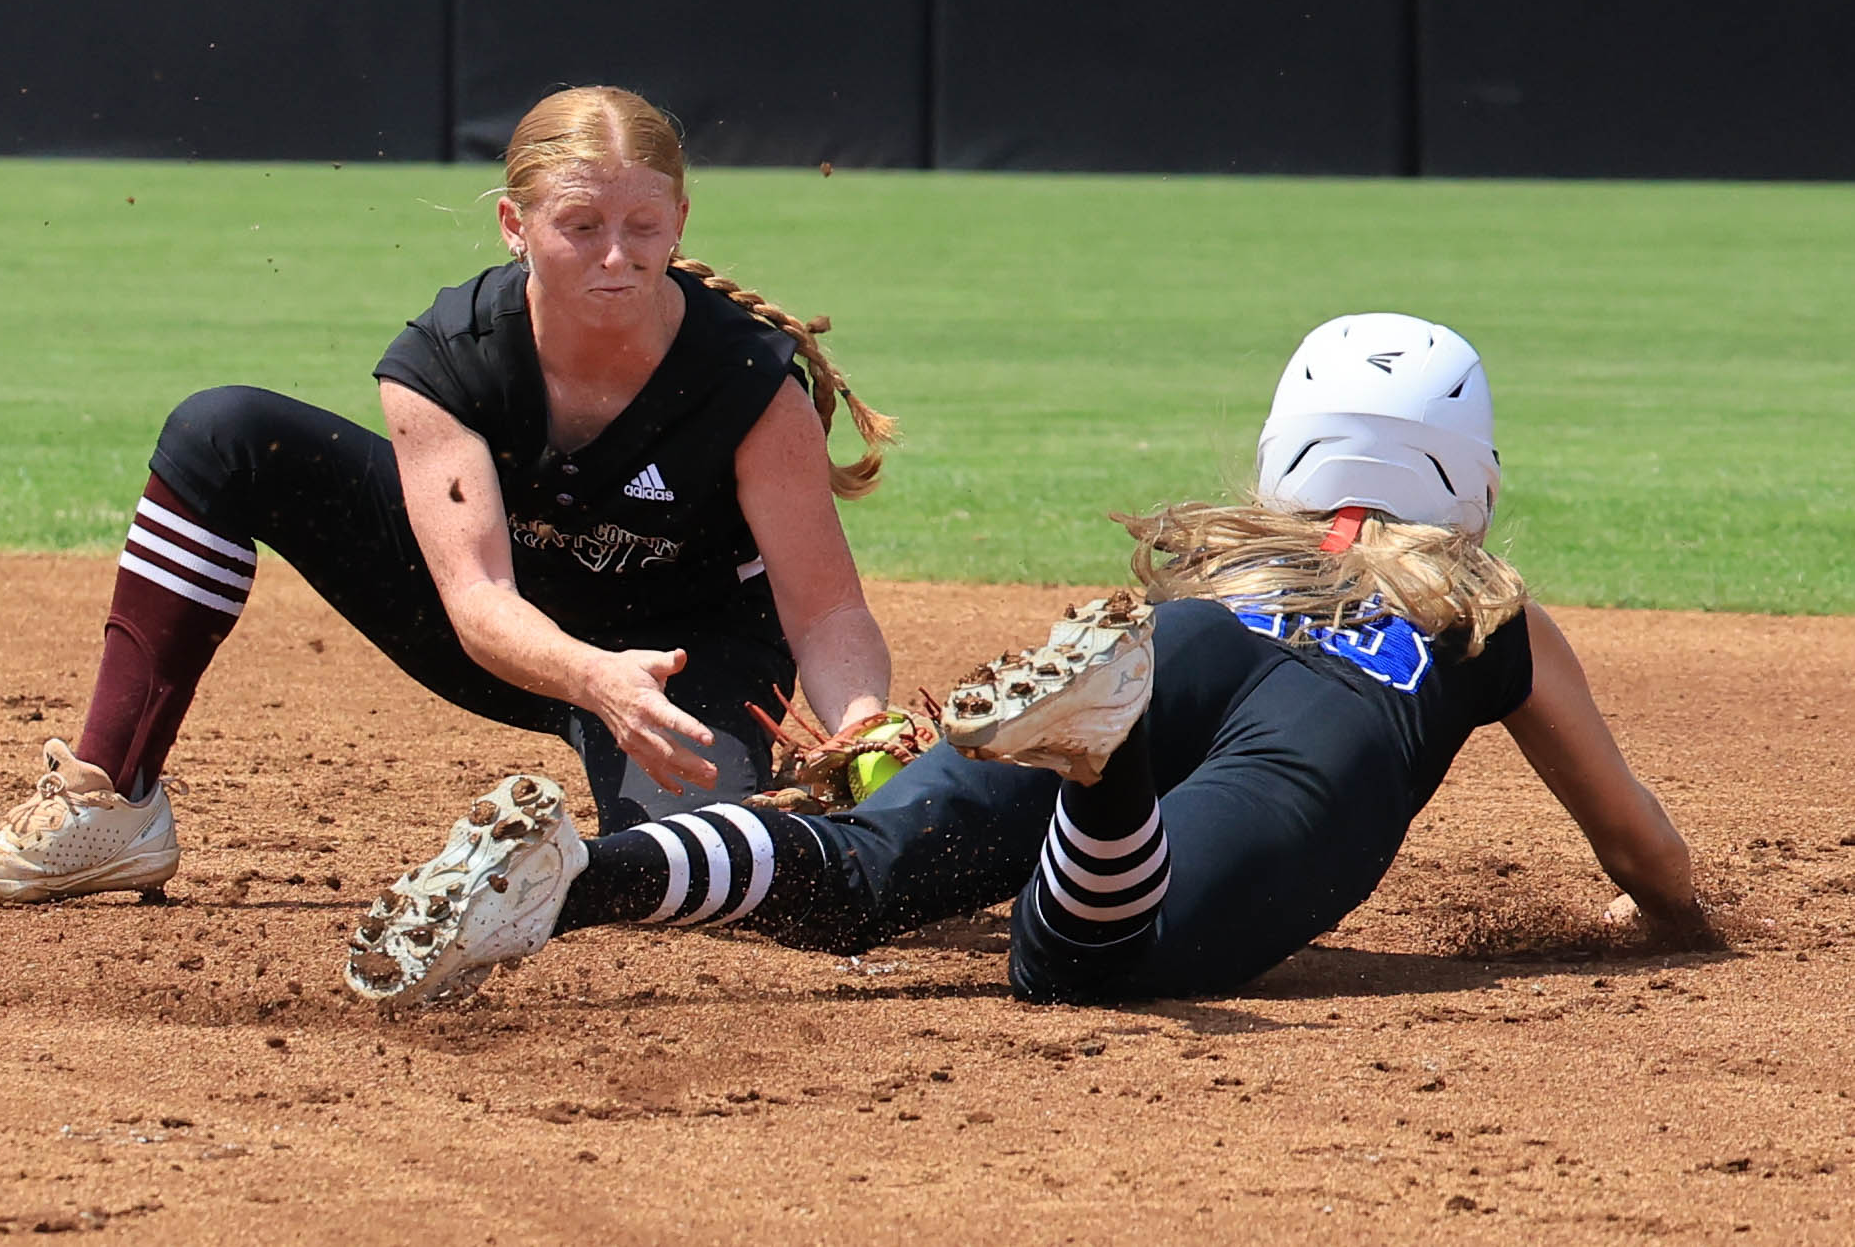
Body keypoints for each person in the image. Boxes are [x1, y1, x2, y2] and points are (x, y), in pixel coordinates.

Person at [343, 311, 1713, 1007]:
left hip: (1184, 640)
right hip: (1317, 729)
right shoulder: (1482, 610)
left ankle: (578, 879)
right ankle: (1099, 771)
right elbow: (1639, 842)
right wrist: (1669, 917)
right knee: (1082, 961)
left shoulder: (1221, 556)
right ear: (1469, 472)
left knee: (878, 869)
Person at [0, 85, 897, 904]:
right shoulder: (448, 358)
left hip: (687, 658)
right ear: (514, 224)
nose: (617, 256)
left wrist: (857, 725)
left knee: (704, 866)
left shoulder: (747, 380)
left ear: (680, 221)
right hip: (513, 628)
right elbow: (477, 600)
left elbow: (826, 611)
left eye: (643, 226)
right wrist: (591, 677)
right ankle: (110, 800)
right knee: (224, 434)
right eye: (581, 226)